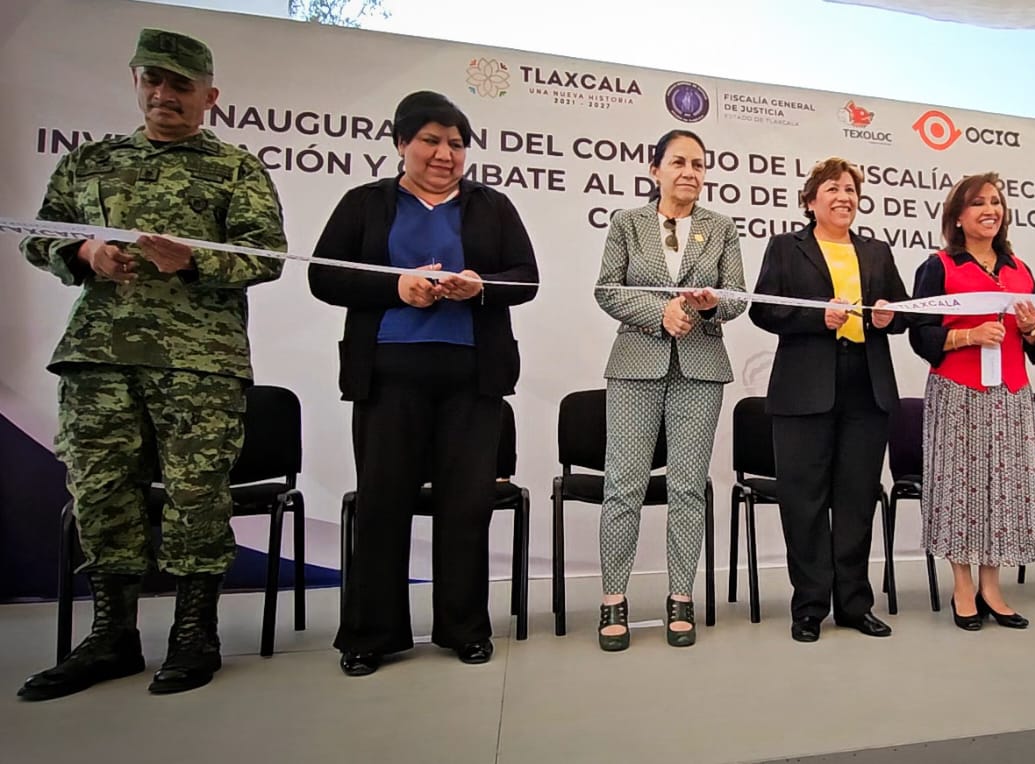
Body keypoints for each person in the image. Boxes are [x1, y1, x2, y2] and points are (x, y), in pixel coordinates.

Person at [18, 28, 286, 700]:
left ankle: (195, 633)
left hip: (199, 361)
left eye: (181, 85)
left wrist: (193, 259)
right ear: (135, 82)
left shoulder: (235, 169)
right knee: (102, 491)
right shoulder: (90, 162)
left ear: (209, 97)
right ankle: (112, 635)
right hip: (98, 356)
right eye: (153, 80)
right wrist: (85, 255)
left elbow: (267, 255)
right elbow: (40, 236)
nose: (164, 94)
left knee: (197, 495)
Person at [309, 91, 537, 676]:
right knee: (383, 505)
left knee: (467, 507)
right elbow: (324, 275)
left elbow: (526, 279)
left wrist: (480, 286)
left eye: (456, 144)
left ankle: (465, 628)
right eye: (431, 141)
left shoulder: (492, 206)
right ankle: (371, 634)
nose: (444, 154)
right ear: (401, 144)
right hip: (387, 377)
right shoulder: (365, 203)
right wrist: (396, 286)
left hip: (473, 380)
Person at [592, 129, 746, 650]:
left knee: (686, 487)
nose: (690, 173)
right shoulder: (627, 223)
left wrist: (710, 304)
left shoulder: (721, 227)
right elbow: (607, 289)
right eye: (679, 162)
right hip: (635, 364)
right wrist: (660, 313)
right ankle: (613, 599)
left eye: (698, 165)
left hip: (700, 368)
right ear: (654, 169)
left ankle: (681, 597)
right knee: (624, 485)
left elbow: (736, 296)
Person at [751, 157, 909, 643]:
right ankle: (809, 607)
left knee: (857, 500)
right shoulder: (786, 247)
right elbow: (764, 310)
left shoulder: (877, 251)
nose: (844, 198)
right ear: (810, 200)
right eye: (833, 189)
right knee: (804, 502)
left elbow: (904, 313)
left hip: (867, 385)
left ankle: (855, 605)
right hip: (804, 387)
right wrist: (815, 319)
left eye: (850, 190)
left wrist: (889, 317)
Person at [908, 172, 1035, 631]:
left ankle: (992, 587)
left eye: (995, 202)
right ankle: (963, 586)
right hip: (958, 392)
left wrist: (1031, 329)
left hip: (1011, 394)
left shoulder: (1020, 269)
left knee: (1001, 490)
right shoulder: (938, 266)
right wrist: (967, 336)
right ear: (957, 216)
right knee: (960, 489)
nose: (990, 210)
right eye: (977, 203)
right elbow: (920, 335)